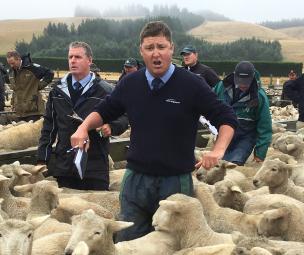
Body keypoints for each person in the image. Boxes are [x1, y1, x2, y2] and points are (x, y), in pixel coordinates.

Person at [70, 21, 238, 241]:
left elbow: (226, 117)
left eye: (161, 47)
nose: (156, 54)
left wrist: (218, 150)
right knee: (128, 244)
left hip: (175, 181)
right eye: (150, 48)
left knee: (170, 247)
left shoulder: (192, 84)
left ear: (171, 49)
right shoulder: (130, 83)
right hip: (136, 181)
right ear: (141, 51)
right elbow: (104, 111)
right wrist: (83, 127)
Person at [36, 41, 128, 190]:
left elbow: (124, 117)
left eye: (78, 57)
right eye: (70, 57)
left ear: (89, 60)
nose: (73, 60)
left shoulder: (105, 91)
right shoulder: (57, 91)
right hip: (64, 167)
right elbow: (49, 127)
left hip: (94, 168)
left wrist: (112, 126)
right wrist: (42, 158)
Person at [213, 61, 272, 165]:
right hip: (224, 133)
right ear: (235, 76)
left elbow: (265, 126)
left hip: (245, 136)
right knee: (217, 164)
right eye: (240, 80)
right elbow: (208, 102)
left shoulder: (259, 96)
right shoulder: (221, 87)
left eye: (246, 81)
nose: (243, 85)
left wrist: (259, 154)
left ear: (252, 78)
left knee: (235, 164)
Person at [6, 51, 54, 121]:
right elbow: (15, 89)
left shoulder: (32, 68)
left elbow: (50, 73)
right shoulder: (11, 72)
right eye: (9, 64)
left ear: (18, 59)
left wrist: (39, 86)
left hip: (33, 111)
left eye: (13, 63)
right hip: (19, 111)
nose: (11, 66)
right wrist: (13, 103)